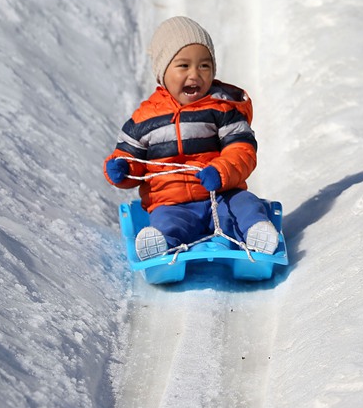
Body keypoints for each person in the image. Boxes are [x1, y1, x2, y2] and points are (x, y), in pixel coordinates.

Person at [103, 16, 278, 260]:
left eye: (204, 66)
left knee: (245, 205)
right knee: (168, 222)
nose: (195, 74)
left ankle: (256, 234)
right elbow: (130, 156)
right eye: (184, 66)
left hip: (221, 195)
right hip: (173, 204)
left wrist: (221, 171)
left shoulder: (222, 109)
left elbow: (242, 150)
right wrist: (122, 168)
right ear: (162, 71)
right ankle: (161, 243)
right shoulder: (145, 119)